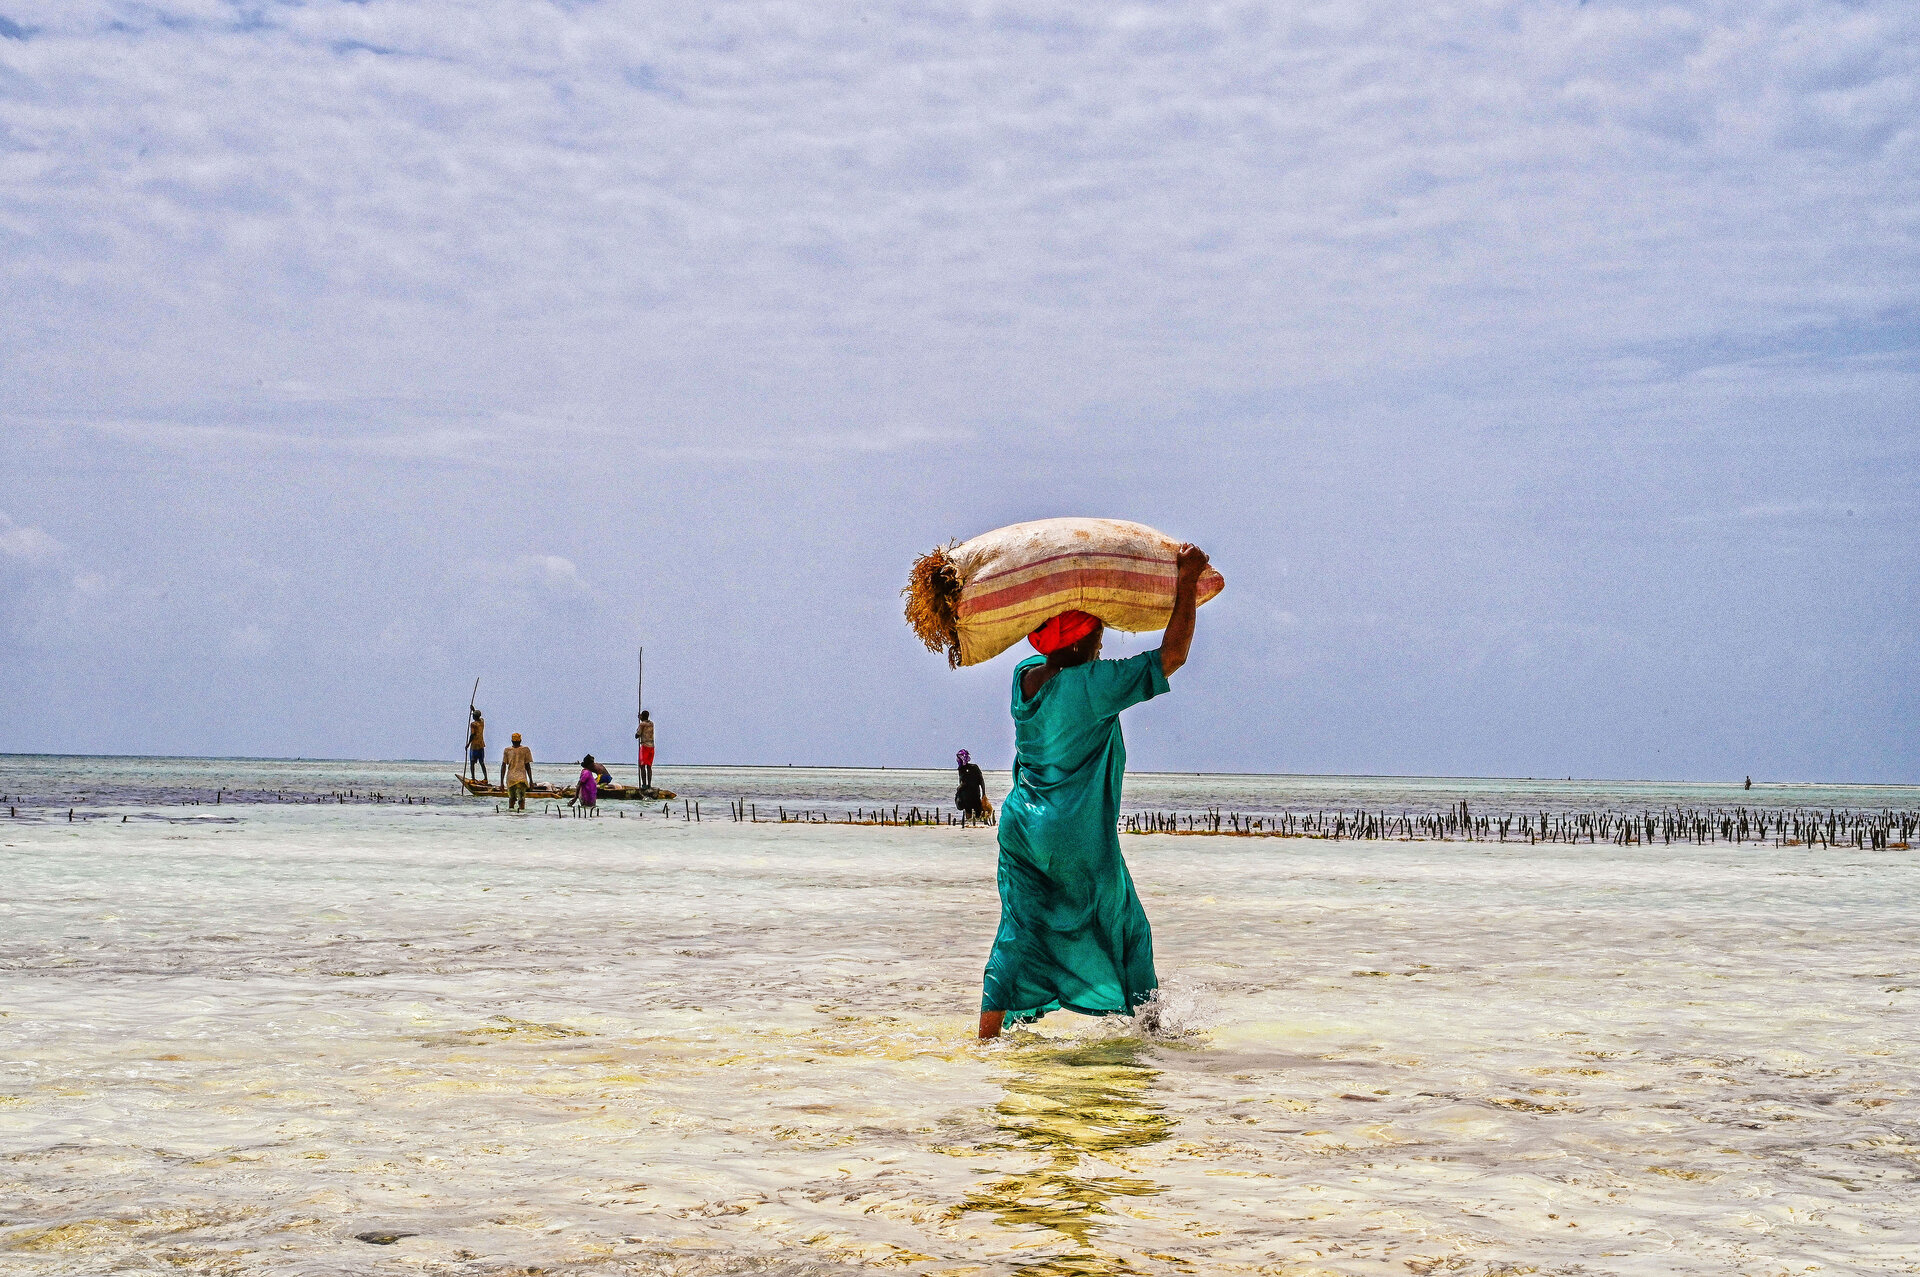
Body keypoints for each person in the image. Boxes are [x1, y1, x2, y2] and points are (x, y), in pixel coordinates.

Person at [978, 543, 1210, 1041]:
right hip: (1073, 832)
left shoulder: (1024, 679)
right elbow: (1173, 656)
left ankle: (988, 1032)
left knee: (1019, 927)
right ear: (1084, 643)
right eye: (1099, 634)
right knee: (1122, 922)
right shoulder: (1092, 685)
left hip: (1021, 825)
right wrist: (1187, 580)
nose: (1104, 643)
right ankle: (1150, 1031)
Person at [955, 749, 991, 822]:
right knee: (977, 813)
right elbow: (981, 781)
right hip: (975, 795)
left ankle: (971, 822)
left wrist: (959, 789)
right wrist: (983, 793)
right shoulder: (974, 767)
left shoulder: (962, 769)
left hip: (968, 796)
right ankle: (975, 822)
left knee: (970, 814)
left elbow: (964, 782)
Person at [501, 733, 533, 812]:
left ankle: (511, 815)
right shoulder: (525, 749)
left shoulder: (507, 750)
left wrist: (501, 782)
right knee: (521, 799)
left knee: (511, 799)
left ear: (512, 741)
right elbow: (527, 766)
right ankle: (521, 815)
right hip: (521, 778)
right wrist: (531, 780)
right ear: (520, 741)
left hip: (511, 778)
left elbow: (503, 766)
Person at [635, 710, 656, 790]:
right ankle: (649, 784)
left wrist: (638, 730)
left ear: (642, 716)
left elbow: (637, 735)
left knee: (642, 766)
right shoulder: (651, 724)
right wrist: (641, 718)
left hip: (645, 746)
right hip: (652, 746)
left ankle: (644, 784)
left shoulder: (642, 724)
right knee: (649, 766)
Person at [466, 710, 487, 783]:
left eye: (473, 715)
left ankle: (473, 778)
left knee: (472, 763)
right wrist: (473, 709)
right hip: (481, 745)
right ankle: (485, 778)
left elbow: (472, 735)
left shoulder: (473, 724)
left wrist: (468, 744)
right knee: (482, 762)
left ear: (474, 716)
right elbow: (479, 717)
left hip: (474, 746)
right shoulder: (482, 721)